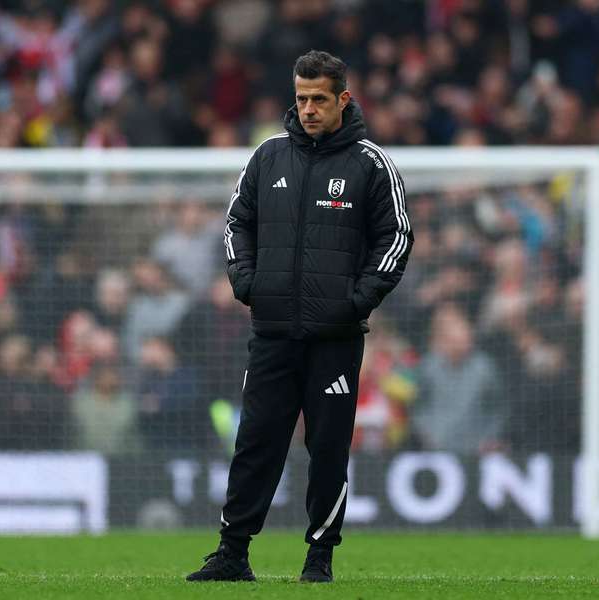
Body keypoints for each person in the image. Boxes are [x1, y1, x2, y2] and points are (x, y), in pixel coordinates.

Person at [187, 50, 413, 583]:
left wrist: (355, 301)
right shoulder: (267, 157)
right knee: (256, 442)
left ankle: (319, 558)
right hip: (272, 332)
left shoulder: (370, 164)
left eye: (319, 99)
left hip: (335, 338)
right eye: (301, 98)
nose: (308, 109)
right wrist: (247, 283)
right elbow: (237, 223)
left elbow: (397, 236)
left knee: (328, 448)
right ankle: (232, 553)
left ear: (343, 100)